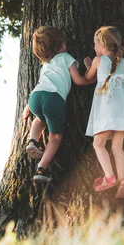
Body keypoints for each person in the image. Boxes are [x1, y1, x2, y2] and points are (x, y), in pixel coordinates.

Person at [22, 26, 92, 183]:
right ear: (61, 45)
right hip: (53, 100)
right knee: (55, 136)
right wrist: (90, 72)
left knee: (39, 119)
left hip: (35, 97)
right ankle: (41, 168)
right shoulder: (66, 57)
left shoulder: (45, 64)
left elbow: (42, 85)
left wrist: (27, 107)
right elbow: (80, 80)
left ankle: (33, 140)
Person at [83, 26, 124, 198]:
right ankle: (123, 180)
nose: (94, 47)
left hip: (107, 108)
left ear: (103, 44)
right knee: (117, 147)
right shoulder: (122, 61)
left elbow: (87, 78)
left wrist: (88, 66)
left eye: (95, 43)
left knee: (98, 144)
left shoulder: (98, 61)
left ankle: (109, 177)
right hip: (123, 107)